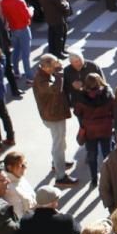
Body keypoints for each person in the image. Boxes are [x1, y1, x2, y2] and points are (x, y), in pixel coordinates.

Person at [31, 54, 78, 186]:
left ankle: (57, 163)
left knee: (59, 141)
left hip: (55, 113)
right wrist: (59, 73)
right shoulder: (41, 80)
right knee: (58, 144)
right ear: (45, 67)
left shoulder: (45, 74)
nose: (57, 66)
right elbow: (56, 89)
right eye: (54, 65)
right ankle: (61, 176)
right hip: (53, 115)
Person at [74, 73, 115, 186]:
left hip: (90, 130)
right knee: (107, 153)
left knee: (92, 154)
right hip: (106, 128)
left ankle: (94, 179)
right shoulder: (108, 93)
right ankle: (109, 177)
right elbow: (114, 108)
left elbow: (77, 112)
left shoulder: (81, 96)